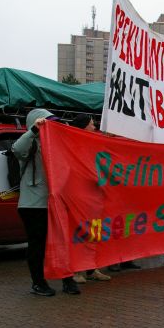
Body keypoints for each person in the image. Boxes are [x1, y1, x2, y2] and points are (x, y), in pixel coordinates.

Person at [13, 109, 80, 296]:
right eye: (47, 122)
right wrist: (34, 130)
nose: (50, 125)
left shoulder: (54, 143)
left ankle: (67, 279)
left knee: (62, 243)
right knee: (38, 244)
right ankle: (38, 282)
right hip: (33, 205)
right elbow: (17, 149)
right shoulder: (31, 142)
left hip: (55, 203)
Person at [68, 114, 112, 284]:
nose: (94, 127)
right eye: (92, 124)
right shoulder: (73, 144)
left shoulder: (94, 142)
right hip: (79, 196)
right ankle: (77, 271)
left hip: (94, 197)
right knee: (80, 234)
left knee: (94, 233)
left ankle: (92, 268)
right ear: (83, 126)